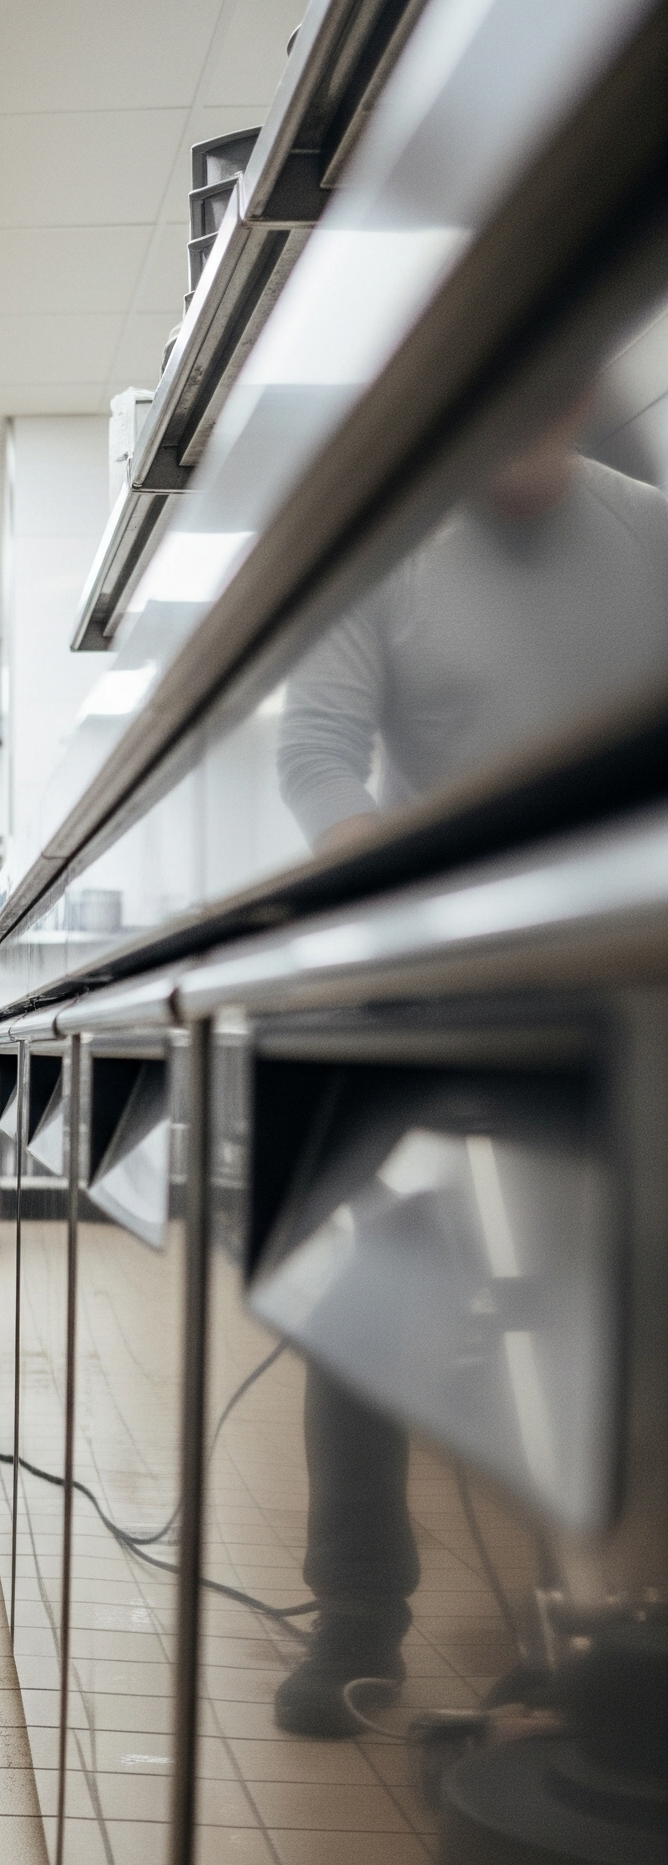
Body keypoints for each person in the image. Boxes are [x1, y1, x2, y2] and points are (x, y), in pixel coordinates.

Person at [270, 397, 668, 1736]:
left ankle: (584, 1628)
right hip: (441, 984)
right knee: (370, 1303)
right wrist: (399, 886)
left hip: (623, 993)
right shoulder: (386, 555)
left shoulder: (652, 536)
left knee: (604, 1309)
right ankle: (358, 1619)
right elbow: (319, 756)